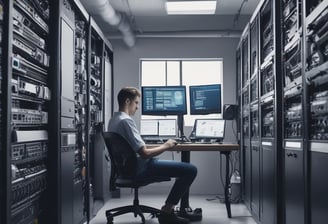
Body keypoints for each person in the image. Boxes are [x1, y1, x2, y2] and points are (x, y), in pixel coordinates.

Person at [107, 87, 197, 224]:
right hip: (141, 168)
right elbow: (144, 153)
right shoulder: (126, 121)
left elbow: (135, 148)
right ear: (127, 101)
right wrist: (166, 145)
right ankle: (167, 212)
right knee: (190, 170)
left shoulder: (114, 120)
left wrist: (156, 145)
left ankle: (170, 210)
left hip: (126, 169)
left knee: (181, 169)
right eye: (136, 103)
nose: (137, 107)